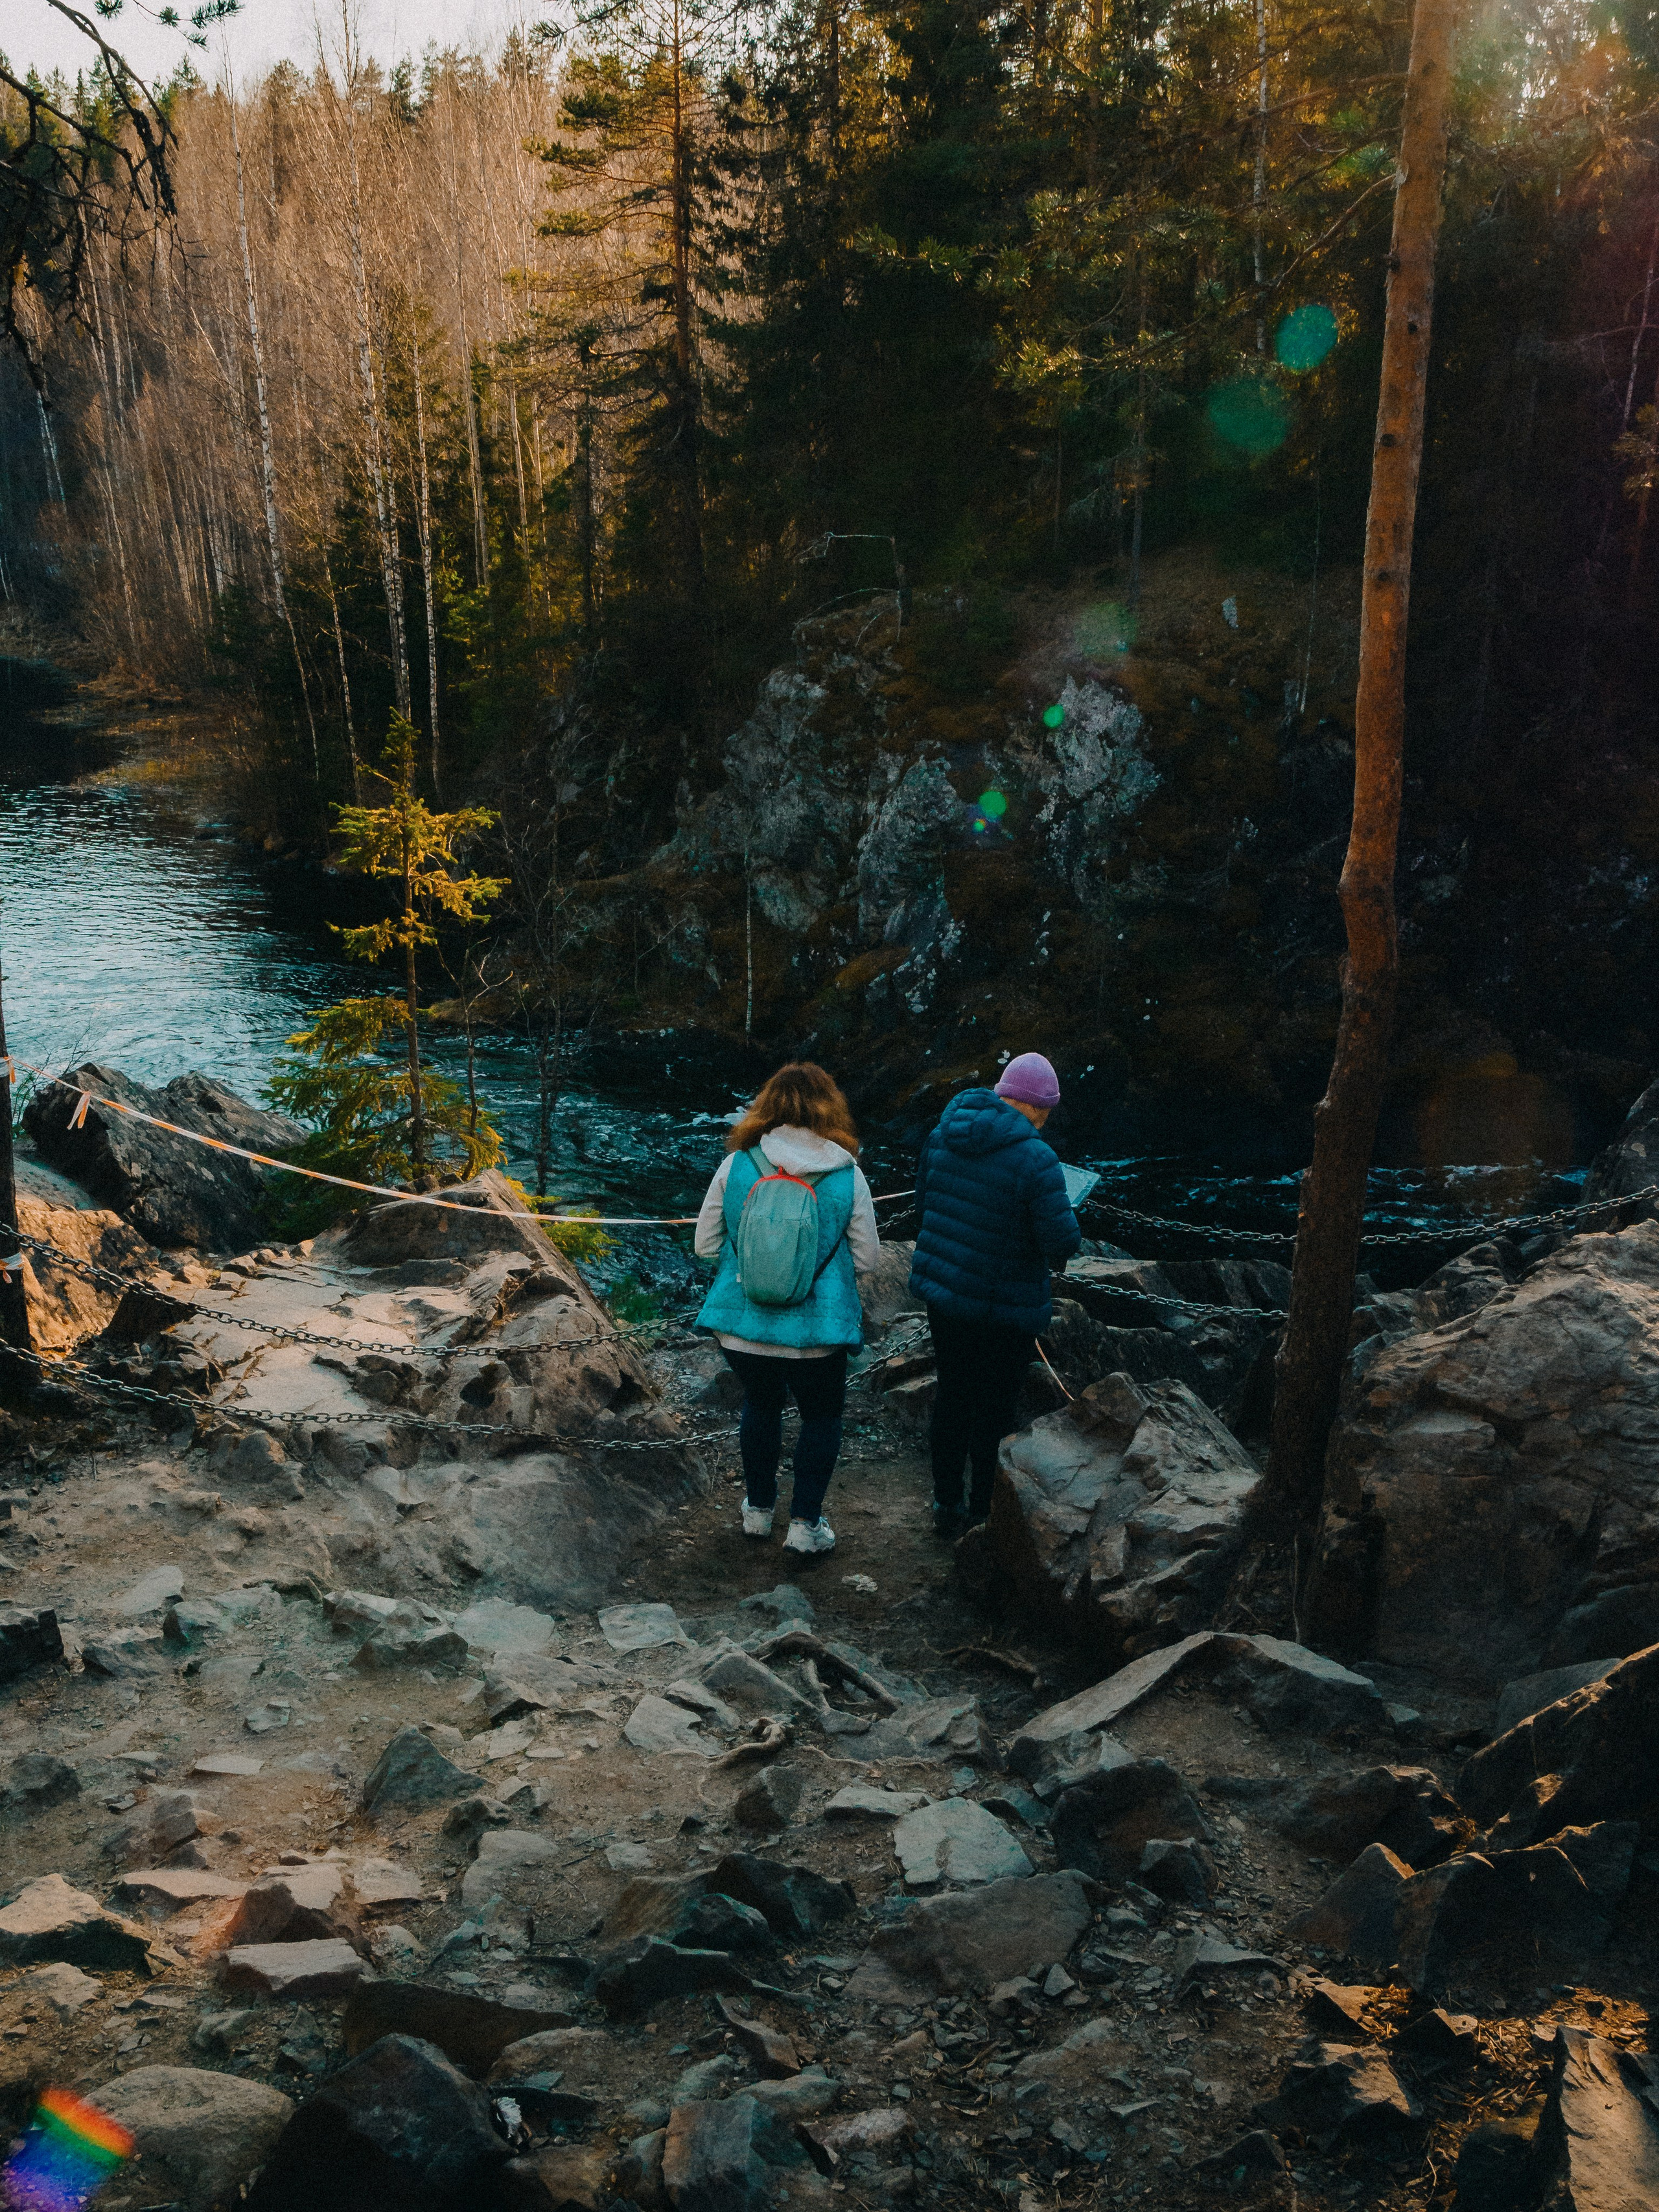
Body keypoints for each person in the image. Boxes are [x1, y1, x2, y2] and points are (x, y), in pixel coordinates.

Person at [695, 1062, 881, 1555]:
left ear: (767, 1105)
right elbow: (868, 1258)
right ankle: (805, 1526)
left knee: (761, 1403)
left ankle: (758, 1512)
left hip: (743, 1328)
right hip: (819, 1335)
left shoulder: (737, 1164)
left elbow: (703, 1243)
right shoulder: (847, 1173)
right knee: (821, 1417)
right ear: (830, 1108)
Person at [909, 1052, 1082, 1540]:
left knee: (953, 1396)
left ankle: (946, 1504)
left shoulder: (942, 1134)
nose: (1047, 1120)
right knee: (995, 1410)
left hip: (946, 1296)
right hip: (1005, 1306)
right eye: (1046, 1109)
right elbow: (1062, 1241)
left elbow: (925, 1205)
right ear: (1032, 1105)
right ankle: (983, 1514)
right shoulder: (1037, 1159)